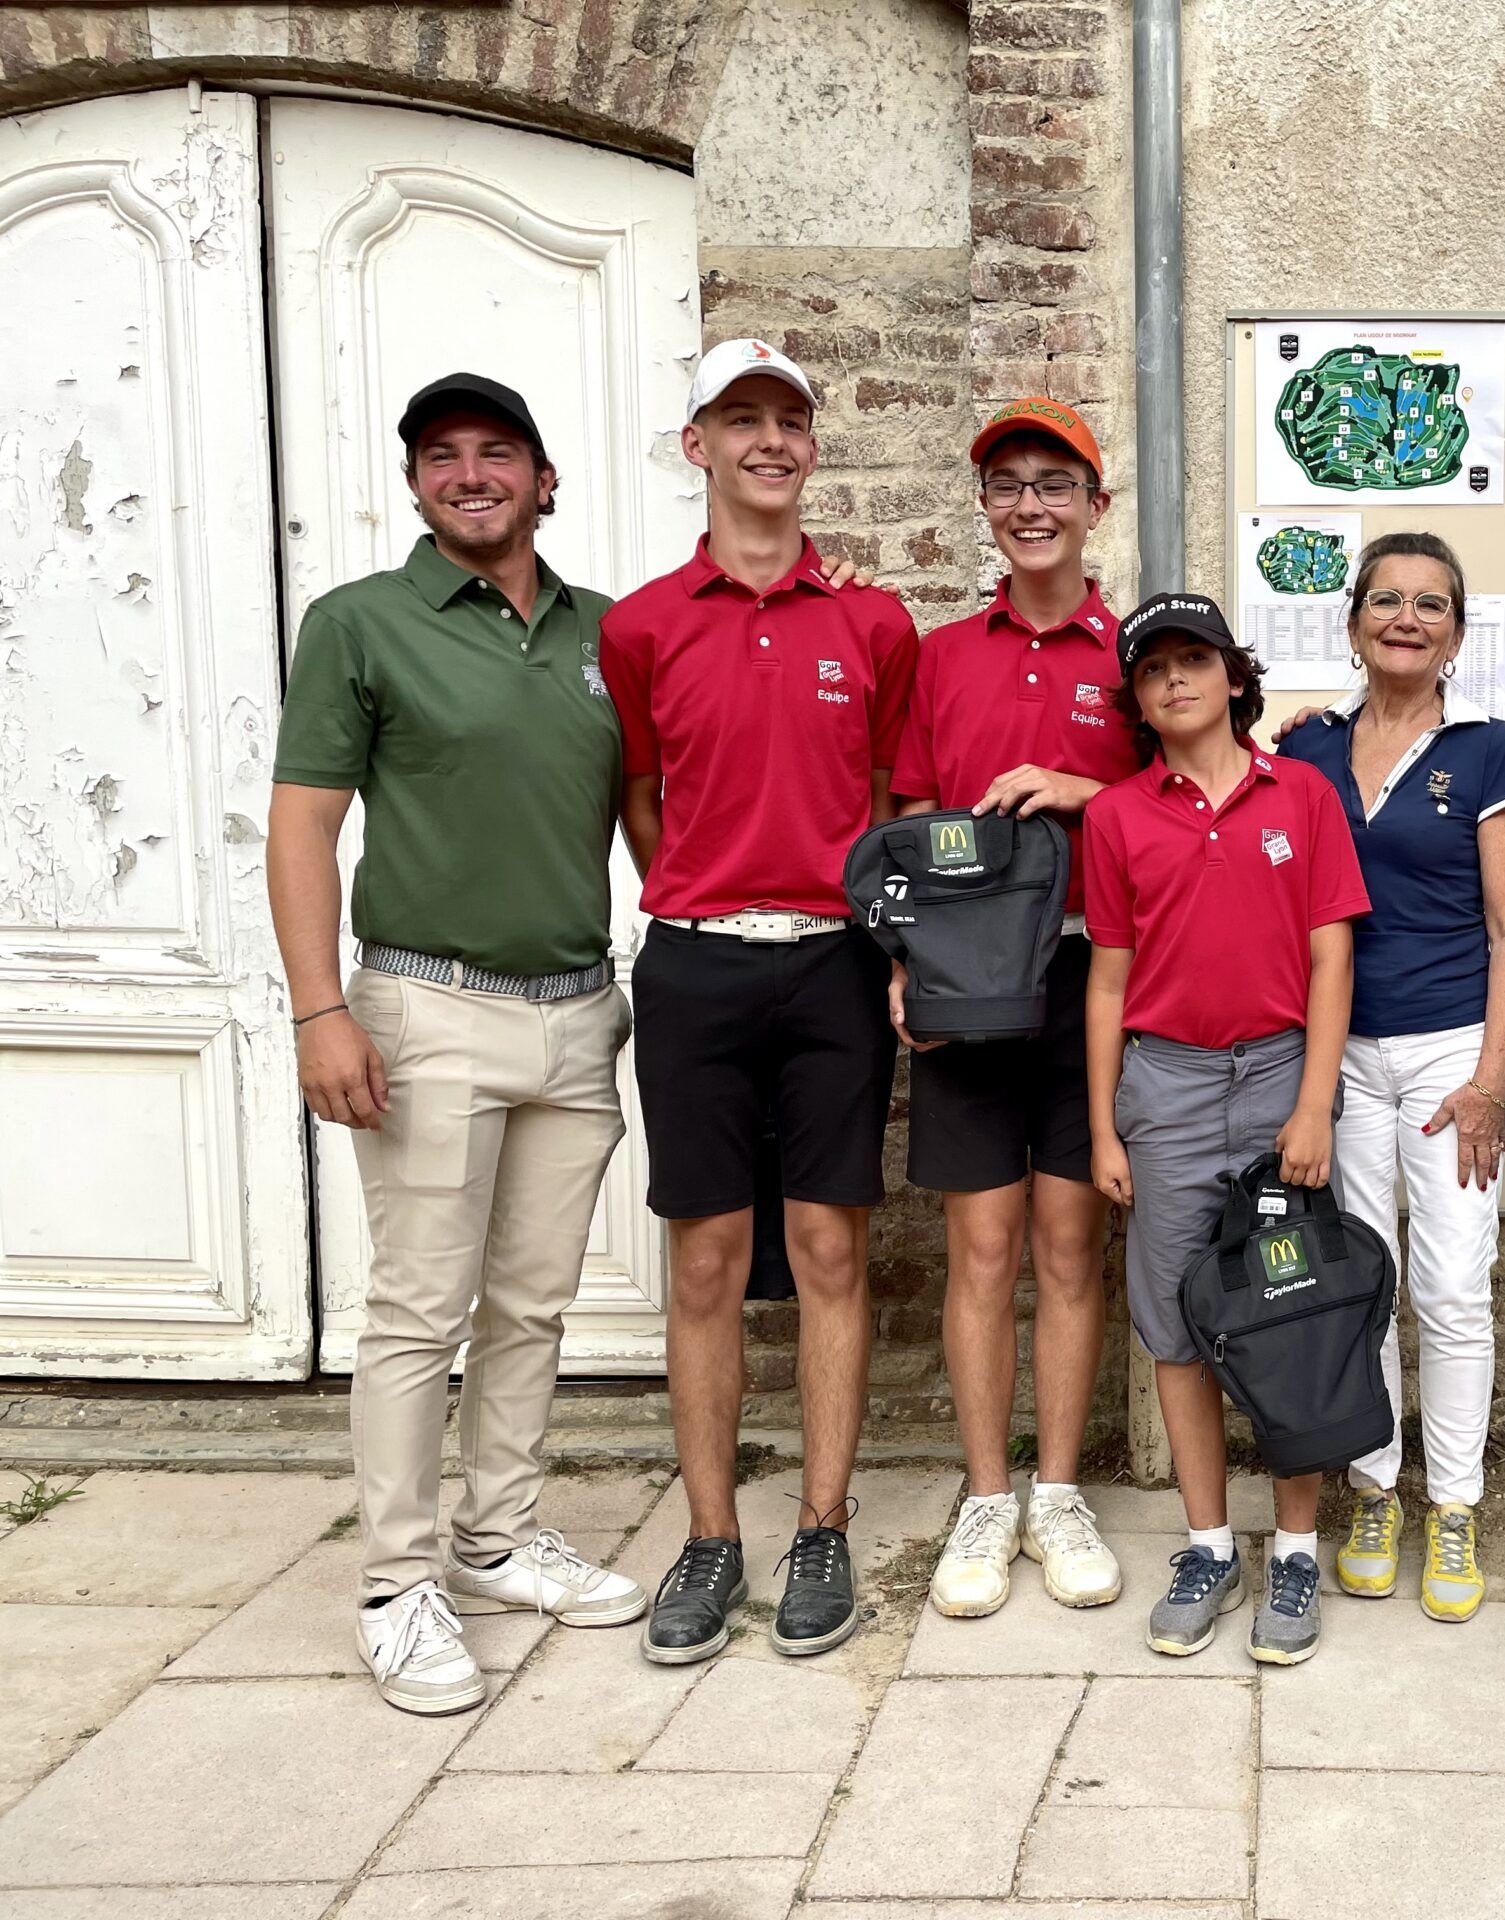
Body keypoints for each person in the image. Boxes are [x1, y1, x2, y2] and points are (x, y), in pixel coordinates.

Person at [270, 373, 646, 1714]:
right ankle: (397, 1584)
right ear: (416, 484)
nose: (471, 474)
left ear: (546, 481)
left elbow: (653, 813)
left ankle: (496, 1537)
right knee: (418, 1312)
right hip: (426, 1011)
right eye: (442, 456)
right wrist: (320, 1010)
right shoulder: (360, 623)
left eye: (498, 453)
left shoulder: (608, 632)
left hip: (576, 1012)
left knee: (532, 1303)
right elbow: (303, 826)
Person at [600, 338, 920, 1665]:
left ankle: (823, 1528)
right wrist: (697, 892)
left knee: (832, 1251)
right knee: (706, 1261)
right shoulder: (640, 625)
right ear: (699, 447)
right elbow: (638, 794)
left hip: (834, 961)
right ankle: (711, 1537)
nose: (769, 441)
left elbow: (890, 801)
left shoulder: (873, 623)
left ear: (811, 447)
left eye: (789, 419)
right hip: (696, 966)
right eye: (741, 419)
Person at [1083, 593, 1371, 1665]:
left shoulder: (1301, 795)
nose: (1175, 679)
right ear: (1137, 699)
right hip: (1165, 1088)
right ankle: (1208, 1545)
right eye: (1152, 667)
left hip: (1279, 1076)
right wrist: (1105, 1127)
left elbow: (1331, 956)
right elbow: (1106, 982)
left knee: (1293, 1313)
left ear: (1235, 677)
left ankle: (1292, 1550)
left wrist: (1313, 1104)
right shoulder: (1117, 818)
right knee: (1174, 1322)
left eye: (1195, 659)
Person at [889, 398, 1137, 1617]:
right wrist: (904, 965)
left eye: (1054, 484)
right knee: (981, 1248)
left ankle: (1058, 1491)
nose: (1030, 506)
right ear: (985, 508)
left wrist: (1083, 788)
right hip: (969, 983)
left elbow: (1188, 800)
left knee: (1069, 1246)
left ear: (1097, 505)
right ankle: (986, 1498)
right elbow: (909, 822)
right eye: (1007, 486)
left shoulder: (1136, 656)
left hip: (1094, 980)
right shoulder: (941, 655)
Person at [1273, 533, 1505, 1623]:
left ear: (1456, 634)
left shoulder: (1488, 751)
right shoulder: (1308, 748)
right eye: (1386, 599)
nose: (1407, 619)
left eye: (1431, 605)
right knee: (1362, 1286)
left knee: (1453, 1288)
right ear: (1353, 624)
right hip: (1338, 1052)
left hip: (1447, 1056)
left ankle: (1455, 1504)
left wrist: (1490, 1083)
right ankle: (1375, 1489)